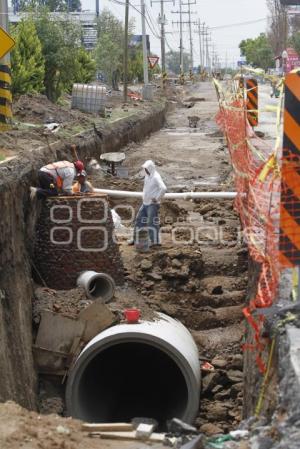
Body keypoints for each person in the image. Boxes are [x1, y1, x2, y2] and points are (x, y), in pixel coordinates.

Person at [129, 160, 167, 247]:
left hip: (152, 205)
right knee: (139, 220)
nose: (144, 170)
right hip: (145, 203)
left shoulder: (156, 177)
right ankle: (136, 239)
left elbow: (163, 188)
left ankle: (155, 242)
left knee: (151, 223)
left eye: (146, 168)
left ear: (150, 168)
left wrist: (157, 198)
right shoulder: (148, 175)